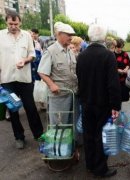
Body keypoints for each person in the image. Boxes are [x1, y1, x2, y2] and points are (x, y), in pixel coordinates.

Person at [76, 24, 121, 177]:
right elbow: (113, 83)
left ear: (89, 37)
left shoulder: (81, 55)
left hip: (86, 102)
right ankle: (100, 168)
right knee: (101, 135)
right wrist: (116, 105)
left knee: (88, 134)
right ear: (103, 38)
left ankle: (90, 164)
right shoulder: (108, 55)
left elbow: (80, 79)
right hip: (103, 104)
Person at [0, 11, 43, 149]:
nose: (13, 26)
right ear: (6, 22)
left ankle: (39, 134)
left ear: (20, 22)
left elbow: (32, 54)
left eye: (16, 23)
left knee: (31, 108)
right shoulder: (0, 35)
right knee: (13, 110)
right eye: (10, 23)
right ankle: (19, 137)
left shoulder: (26, 36)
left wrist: (25, 60)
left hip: (24, 79)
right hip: (7, 79)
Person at [37, 22, 79, 159]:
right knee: (58, 124)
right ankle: (56, 152)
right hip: (58, 96)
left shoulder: (70, 51)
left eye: (72, 35)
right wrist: (51, 84)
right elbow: (42, 72)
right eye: (68, 35)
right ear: (59, 35)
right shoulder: (51, 51)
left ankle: (67, 148)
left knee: (70, 123)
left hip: (72, 93)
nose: (71, 38)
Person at [114, 38, 130, 102]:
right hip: (115, 80)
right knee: (116, 97)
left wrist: (126, 68)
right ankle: (117, 110)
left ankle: (120, 110)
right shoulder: (112, 55)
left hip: (124, 80)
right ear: (115, 46)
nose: (120, 49)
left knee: (123, 97)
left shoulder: (125, 54)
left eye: (121, 47)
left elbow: (128, 63)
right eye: (118, 47)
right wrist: (118, 70)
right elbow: (110, 67)